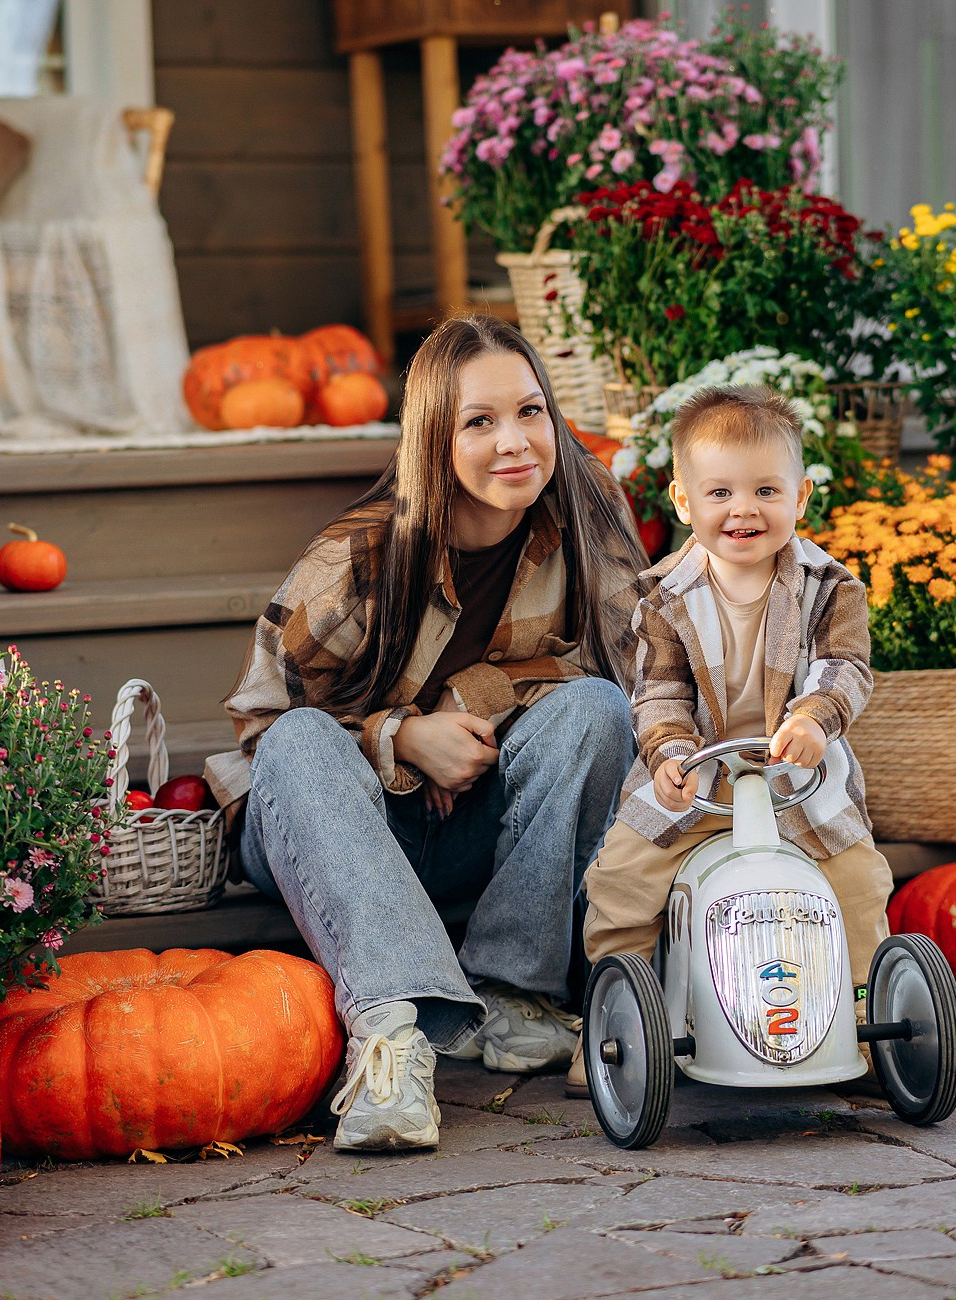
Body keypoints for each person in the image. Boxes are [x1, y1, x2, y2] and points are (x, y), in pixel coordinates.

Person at [208, 315, 646, 1151]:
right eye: (478, 422)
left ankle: (514, 997)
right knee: (304, 738)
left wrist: (467, 701)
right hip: (332, 829)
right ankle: (391, 1038)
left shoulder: (586, 521)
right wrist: (401, 741)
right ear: (433, 437)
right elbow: (265, 731)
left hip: (475, 828)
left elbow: (634, 676)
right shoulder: (360, 557)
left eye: (529, 412)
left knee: (598, 713)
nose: (513, 443)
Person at [573, 383, 894, 1093]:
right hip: (697, 777)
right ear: (684, 504)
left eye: (766, 490)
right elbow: (658, 692)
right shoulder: (663, 597)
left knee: (860, 882)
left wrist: (814, 718)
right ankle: (617, 1016)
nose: (743, 509)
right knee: (623, 879)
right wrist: (667, 753)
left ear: (801, 496)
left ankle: (868, 1020)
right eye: (719, 492)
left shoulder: (829, 586)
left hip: (796, 779)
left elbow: (847, 667)